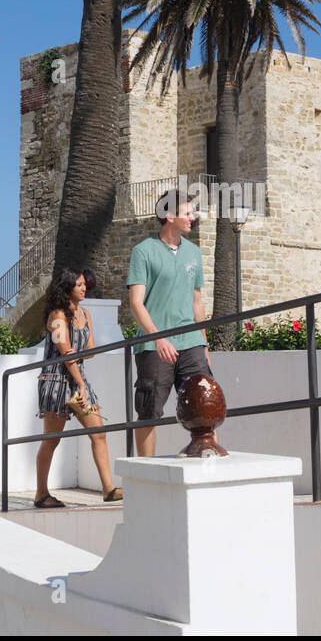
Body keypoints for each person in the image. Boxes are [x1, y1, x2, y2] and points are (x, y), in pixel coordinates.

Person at [127, 188, 213, 457]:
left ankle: (209, 463)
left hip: (191, 342)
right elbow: (136, 303)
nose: (192, 217)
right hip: (155, 347)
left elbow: (196, 301)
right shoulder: (143, 252)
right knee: (149, 410)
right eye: (187, 213)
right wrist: (158, 338)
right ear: (169, 215)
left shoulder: (194, 253)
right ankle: (145, 474)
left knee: (205, 403)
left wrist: (204, 342)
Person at [35, 269, 122, 507]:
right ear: (67, 288)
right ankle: (41, 493)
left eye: (85, 284)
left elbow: (88, 349)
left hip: (77, 380)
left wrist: (81, 376)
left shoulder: (85, 314)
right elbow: (66, 354)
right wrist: (81, 383)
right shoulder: (56, 316)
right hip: (56, 381)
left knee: (98, 432)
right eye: (79, 285)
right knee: (51, 440)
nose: (84, 288)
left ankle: (109, 489)